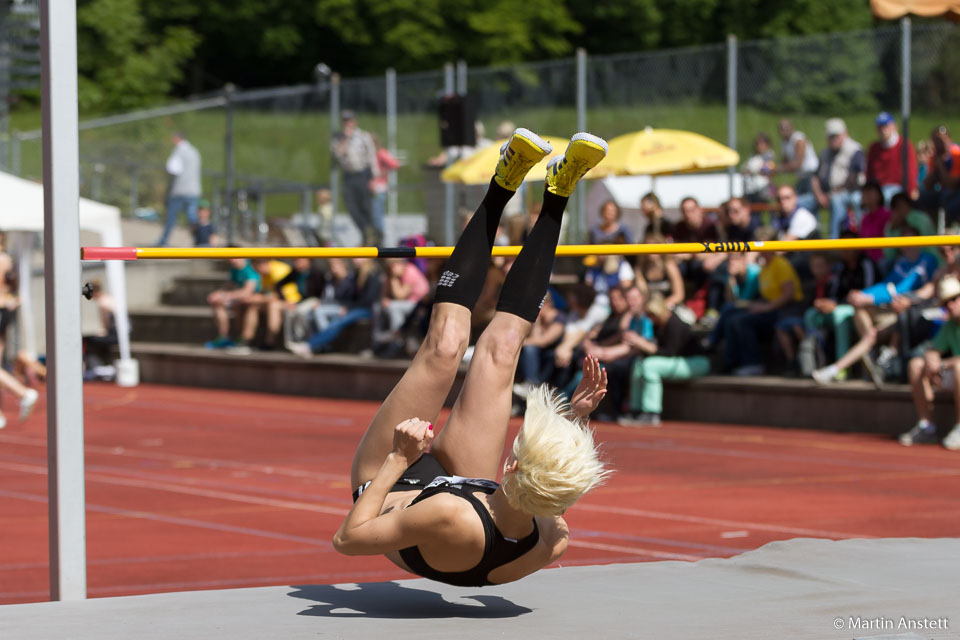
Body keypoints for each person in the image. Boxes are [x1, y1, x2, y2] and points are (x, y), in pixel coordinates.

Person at [332, 128, 611, 587]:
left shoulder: (450, 516)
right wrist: (573, 420)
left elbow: (349, 538)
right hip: (473, 491)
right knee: (502, 350)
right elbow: (555, 488)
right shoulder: (549, 537)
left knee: (444, 346)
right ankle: (559, 191)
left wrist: (400, 459)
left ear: (513, 466)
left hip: (391, 482)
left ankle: (502, 184)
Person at [812, 227, 938, 386]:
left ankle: (838, 368)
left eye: (911, 241)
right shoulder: (901, 263)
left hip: (907, 314)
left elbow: (906, 288)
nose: (907, 245)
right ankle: (869, 351)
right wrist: (863, 295)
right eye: (904, 241)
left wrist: (868, 297)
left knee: (868, 331)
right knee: (863, 318)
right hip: (892, 310)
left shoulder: (928, 260)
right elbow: (888, 285)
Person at [620, 293, 709, 427]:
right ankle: (636, 410)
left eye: (651, 315)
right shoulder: (658, 325)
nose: (650, 318)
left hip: (695, 362)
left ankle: (651, 412)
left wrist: (645, 345)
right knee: (638, 363)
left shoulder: (675, 323)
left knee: (650, 366)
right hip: (678, 361)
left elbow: (669, 352)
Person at [899, 275, 960, 449]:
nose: (950, 305)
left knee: (959, 367)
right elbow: (932, 350)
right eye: (946, 302)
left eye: (954, 299)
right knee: (915, 364)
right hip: (954, 375)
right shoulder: (950, 326)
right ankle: (926, 426)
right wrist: (932, 362)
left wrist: (941, 365)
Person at [808, 118, 866, 239]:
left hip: (848, 192)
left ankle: (834, 242)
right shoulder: (824, 153)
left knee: (836, 200)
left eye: (836, 135)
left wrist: (833, 193)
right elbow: (815, 177)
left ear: (845, 134)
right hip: (824, 194)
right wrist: (819, 195)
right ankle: (810, 243)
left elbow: (856, 178)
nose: (833, 139)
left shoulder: (855, 151)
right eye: (830, 136)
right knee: (801, 203)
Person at [332, 110, 380, 246]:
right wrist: (346, 138)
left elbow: (371, 156)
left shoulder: (364, 136)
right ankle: (365, 230)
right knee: (352, 206)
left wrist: (373, 178)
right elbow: (338, 154)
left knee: (366, 205)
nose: (347, 123)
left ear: (354, 121)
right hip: (348, 175)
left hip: (363, 174)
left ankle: (373, 235)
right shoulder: (338, 138)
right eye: (345, 121)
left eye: (350, 120)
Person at [156, 131, 202, 247]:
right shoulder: (194, 152)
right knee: (192, 218)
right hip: (193, 190)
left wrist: (168, 188)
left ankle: (163, 240)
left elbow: (172, 169)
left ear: (177, 139)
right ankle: (200, 240)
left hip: (179, 190)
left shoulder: (178, 152)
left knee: (171, 218)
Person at [205, 258, 261, 351]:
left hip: (254, 298)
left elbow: (247, 292)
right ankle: (224, 337)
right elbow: (228, 286)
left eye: (234, 257)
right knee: (218, 303)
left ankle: (245, 340)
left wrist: (224, 295)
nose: (232, 260)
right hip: (240, 299)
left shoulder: (250, 269)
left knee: (250, 306)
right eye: (230, 258)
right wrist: (218, 294)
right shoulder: (234, 269)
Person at [867, 112, 918, 203]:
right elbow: (869, 173)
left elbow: (910, 171)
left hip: (897, 187)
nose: (883, 130)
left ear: (894, 127)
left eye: (886, 126)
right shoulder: (874, 148)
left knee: (887, 197)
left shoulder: (904, 146)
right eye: (880, 127)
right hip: (878, 188)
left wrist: (910, 190)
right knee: (858, 199)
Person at [919, 125, 960, 222]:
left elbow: (952, 184)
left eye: (943, 139)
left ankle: (950, 226)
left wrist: (940, 165)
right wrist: (937, 164)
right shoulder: (934, 156)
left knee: (947, 199)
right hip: (943, 191)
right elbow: (927, 184)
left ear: (949, 139)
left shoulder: (956, 154)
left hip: (956, 192)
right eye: (936, 140)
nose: (940, 144)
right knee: (923, 197)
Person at [777, 118, 819, 195]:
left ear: (792, 128)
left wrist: (778, 169)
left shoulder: (798, 139)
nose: (784, 131)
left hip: (811, 174)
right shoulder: (784, 142)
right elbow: (784, 162)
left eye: (786, 128)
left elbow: (798, 163)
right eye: (782, 128)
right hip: (801, 176)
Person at [370, 135, 401, 240]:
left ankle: (380, 239)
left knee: (377, 215)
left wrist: (382, 172)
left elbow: (395, 164)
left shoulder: (381, 153)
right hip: (372, 189)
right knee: (373, 216)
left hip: (379, 188)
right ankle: (375, 238)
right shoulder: (371, 154)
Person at [857, 181, 892, 264]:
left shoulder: (887, 216)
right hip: (867, 260)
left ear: (879, 195)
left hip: (882, 260)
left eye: (870, 192)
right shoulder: (864, 218)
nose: (867, 195)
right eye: (864, 192)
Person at [741, 132, 776, 202]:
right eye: (757, 144)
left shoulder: (768, 156)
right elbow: (744, 169)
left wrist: (752, 171)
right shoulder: (753, 157)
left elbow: (767, 170)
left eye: (762, 144)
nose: (759, 146)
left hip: (763, 189)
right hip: (751, 188)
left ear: (767, 145)